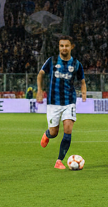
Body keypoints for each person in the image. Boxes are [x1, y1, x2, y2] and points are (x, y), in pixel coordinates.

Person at [37, 36, 86, 169]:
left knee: (68, 129)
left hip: (69, 101)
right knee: (54, 132)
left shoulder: (76, 63)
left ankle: (59, 161)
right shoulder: (52, 61)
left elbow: (82, 80)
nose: (64, 48)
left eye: (66, 46)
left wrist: (84, 92)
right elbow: (40, 74)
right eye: (61, 46)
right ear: (59, 47)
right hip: (53, 102)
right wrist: (39, 90)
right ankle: (47, 134)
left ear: (71, 47)